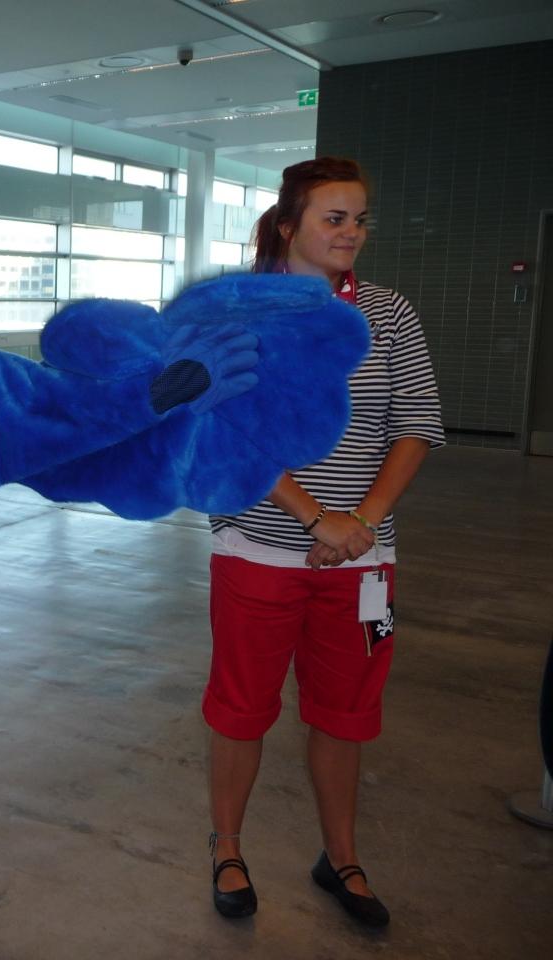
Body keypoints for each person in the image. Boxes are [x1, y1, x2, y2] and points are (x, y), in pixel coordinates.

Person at [202, 157, 444, 927]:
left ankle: (341, 856)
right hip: (257, 551)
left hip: (364, 565)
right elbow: (232, 427)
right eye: (334, 218)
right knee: (242, 708)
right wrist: (315, 517)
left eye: (360, 219)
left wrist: (362, 522)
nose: (351, 233)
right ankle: (227, 847)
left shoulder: (389, 313)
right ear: (288, 225)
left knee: (346, 711)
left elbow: (415, 424)